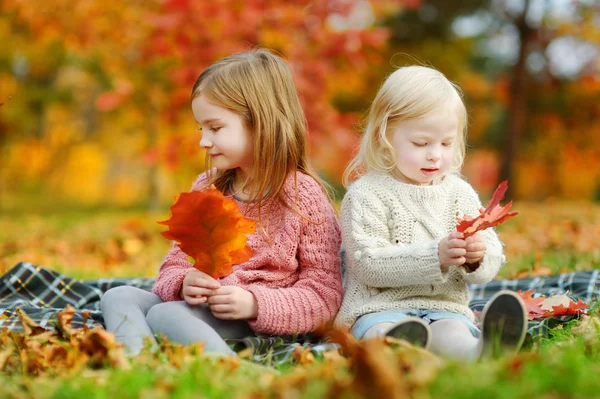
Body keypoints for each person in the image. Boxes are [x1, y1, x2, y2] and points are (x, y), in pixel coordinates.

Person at [101, 49, 343, 356]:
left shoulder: (302, 195)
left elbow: (325, 295)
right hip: (198, 309)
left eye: (215, 128)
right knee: (118, 296)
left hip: (259, 323)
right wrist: (183, 281)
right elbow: (173, 265)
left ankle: (229, 371)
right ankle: (138, 365)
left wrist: (254, 304)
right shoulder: (208, 186)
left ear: (261, 122)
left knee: (165, 315)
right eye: (201, 128)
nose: (203, 140)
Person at [333, 65, 527, 361]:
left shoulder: (459, 193)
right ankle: (397, 351)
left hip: (443, 308)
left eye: (446, 143)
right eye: (421, 143)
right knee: (381, 332)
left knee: (453, 333)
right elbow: (367, 264)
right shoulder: (366, 194)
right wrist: (434, 255)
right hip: (377, 309)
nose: (435, 153)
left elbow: (489, 260)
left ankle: (482, 351)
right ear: (384, 135)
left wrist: (476, 257)